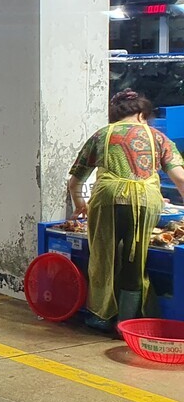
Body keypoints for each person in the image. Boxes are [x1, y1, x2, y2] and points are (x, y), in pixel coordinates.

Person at [67, 90, 184, 329]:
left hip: (107, 198)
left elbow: (75, 181)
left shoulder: (101, 135)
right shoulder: (158, 138)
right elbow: (180, 179)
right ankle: (127, 321)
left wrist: (80, 204)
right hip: (145, 200)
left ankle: (101, 316)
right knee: (134, 260)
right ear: (142, 114)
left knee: (103, 258)